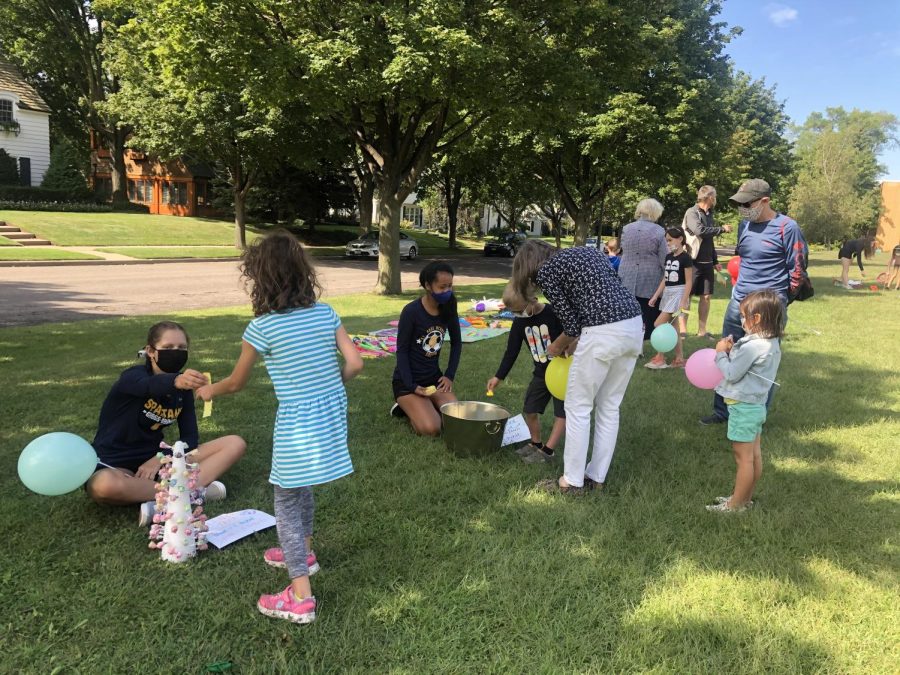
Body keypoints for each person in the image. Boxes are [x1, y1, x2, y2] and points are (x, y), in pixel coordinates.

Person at [196, 230, 364, 624]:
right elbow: (356, 364)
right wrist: (328, 386)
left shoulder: (262, 328)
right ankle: (304, 550)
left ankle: (300, 597)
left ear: (259, 278)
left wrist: (209, 391)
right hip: (330, 414)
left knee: (285, 499)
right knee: (299, 484)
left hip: (298, 421)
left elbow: (236, 382)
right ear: (303, 272)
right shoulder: (326, 313)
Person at [511, 240, 643, 493]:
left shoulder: (547, 270)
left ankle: (571, 481)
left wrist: (555, 347)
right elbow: (592, 303)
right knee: (609, 407)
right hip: (633, 326)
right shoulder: (586, 253)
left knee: (578, 407)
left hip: (603, 333)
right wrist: (575, 341)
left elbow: (570, 326)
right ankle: (596, 477)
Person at [86, 321, 246, 527]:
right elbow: (148, 386)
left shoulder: (183, 391)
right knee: (103, 486)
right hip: (114, 463)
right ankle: (191, 494)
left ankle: (165, 500)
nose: (176, 353)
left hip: (158, 464)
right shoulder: (132, 377)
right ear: (150, 351)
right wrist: (176, 381)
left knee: (235, 443)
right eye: (168, 348)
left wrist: (161, 458)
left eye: (181, 348)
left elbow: (189, 439)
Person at [699, 179, 808, 426]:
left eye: (747, 203)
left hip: (768, 307)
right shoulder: (744, 225)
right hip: (738, 301)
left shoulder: (787, 227)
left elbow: (798, 268)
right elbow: (744, 257)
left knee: (762, 364)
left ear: (765, 201)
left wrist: (779, 301)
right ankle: (722, 412)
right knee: (727, 351)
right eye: (740, 204)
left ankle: (756, 417)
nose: (742, 208)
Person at [706, 290, 783, 513]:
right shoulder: (770, 341)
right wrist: (734, 350)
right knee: (753, 456)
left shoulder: (752, 346)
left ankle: (735, 505)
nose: (741, 320)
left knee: (743, 458)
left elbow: (731, 373)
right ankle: (743, 498)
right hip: (756, 406)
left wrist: (721, 352)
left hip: (743, 408)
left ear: (756, 318)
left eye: (743, 316)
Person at [486, 282, 566, 464]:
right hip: (541, 373)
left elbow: (571, 335)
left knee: (562, 412)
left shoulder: (553, 313)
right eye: (513, 312)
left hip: (562, 374)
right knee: (530, 408)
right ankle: (536, 443)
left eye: (519, 310)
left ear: (532, 300)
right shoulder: (520, 321)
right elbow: (511, 351)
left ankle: (548, 451)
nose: (517, 315)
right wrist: (499, 376)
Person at [390, 261, 462, 436]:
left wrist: (449, 375)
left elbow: (457, 343)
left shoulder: (450, 307)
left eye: (450, 286)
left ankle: (426, 406)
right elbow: (402, 351)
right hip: (408, 384)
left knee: (457, 419)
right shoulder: (411, 312)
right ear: (428, 285)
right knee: (433, 428)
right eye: (442, 287)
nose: (447, 291)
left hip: (433, 379)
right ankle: (405, 408)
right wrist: (412, 386)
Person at [682, 185, 732, 337]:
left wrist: (715, 260)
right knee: (687, 296)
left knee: (706, 296)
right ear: (710, 197)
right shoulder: (692, 212)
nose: (715, 199)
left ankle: (702, 331)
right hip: (691, 262)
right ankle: (683, 331)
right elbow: (699, 231)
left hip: (707, 263)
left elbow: (708, 240)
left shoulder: (710, 213)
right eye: (714, 196)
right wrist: (722, 229)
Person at [618, 198, 667, 341]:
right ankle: (644, 338)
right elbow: (664, 257)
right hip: (650, 275)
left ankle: (628, 339)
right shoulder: (659, 231)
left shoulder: (627, 228)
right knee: (647, 310)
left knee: (628, 310)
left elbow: (624, 249)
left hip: (627, 273)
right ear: (655, 212)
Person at [646, 227, 694, 369]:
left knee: (658, 324)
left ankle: (660, 357)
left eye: (670, 240)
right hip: (668, 294)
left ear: (680, 239)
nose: (668, 243)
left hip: (679, 295)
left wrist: (683, 301)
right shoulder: (668, 257)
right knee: (674, 328)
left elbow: (689, 281)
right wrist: (656, 295)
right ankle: (679, 359)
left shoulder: (686, 258)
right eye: (666, 241)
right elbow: (665, 279)